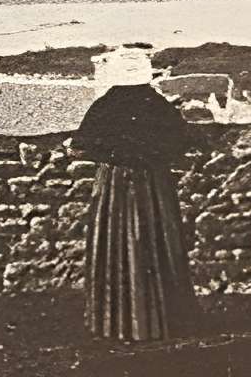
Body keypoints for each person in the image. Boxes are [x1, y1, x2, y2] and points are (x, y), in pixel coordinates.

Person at [74, 46, 199, 341]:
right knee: (157, 245)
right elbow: (180, 142)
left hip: (116, 184)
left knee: (116, 244)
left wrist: (117, 155)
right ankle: (163, 321)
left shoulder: (105, 105)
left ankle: (115, 323)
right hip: (153, 183)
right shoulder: (157, 104)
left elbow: (84, 145)